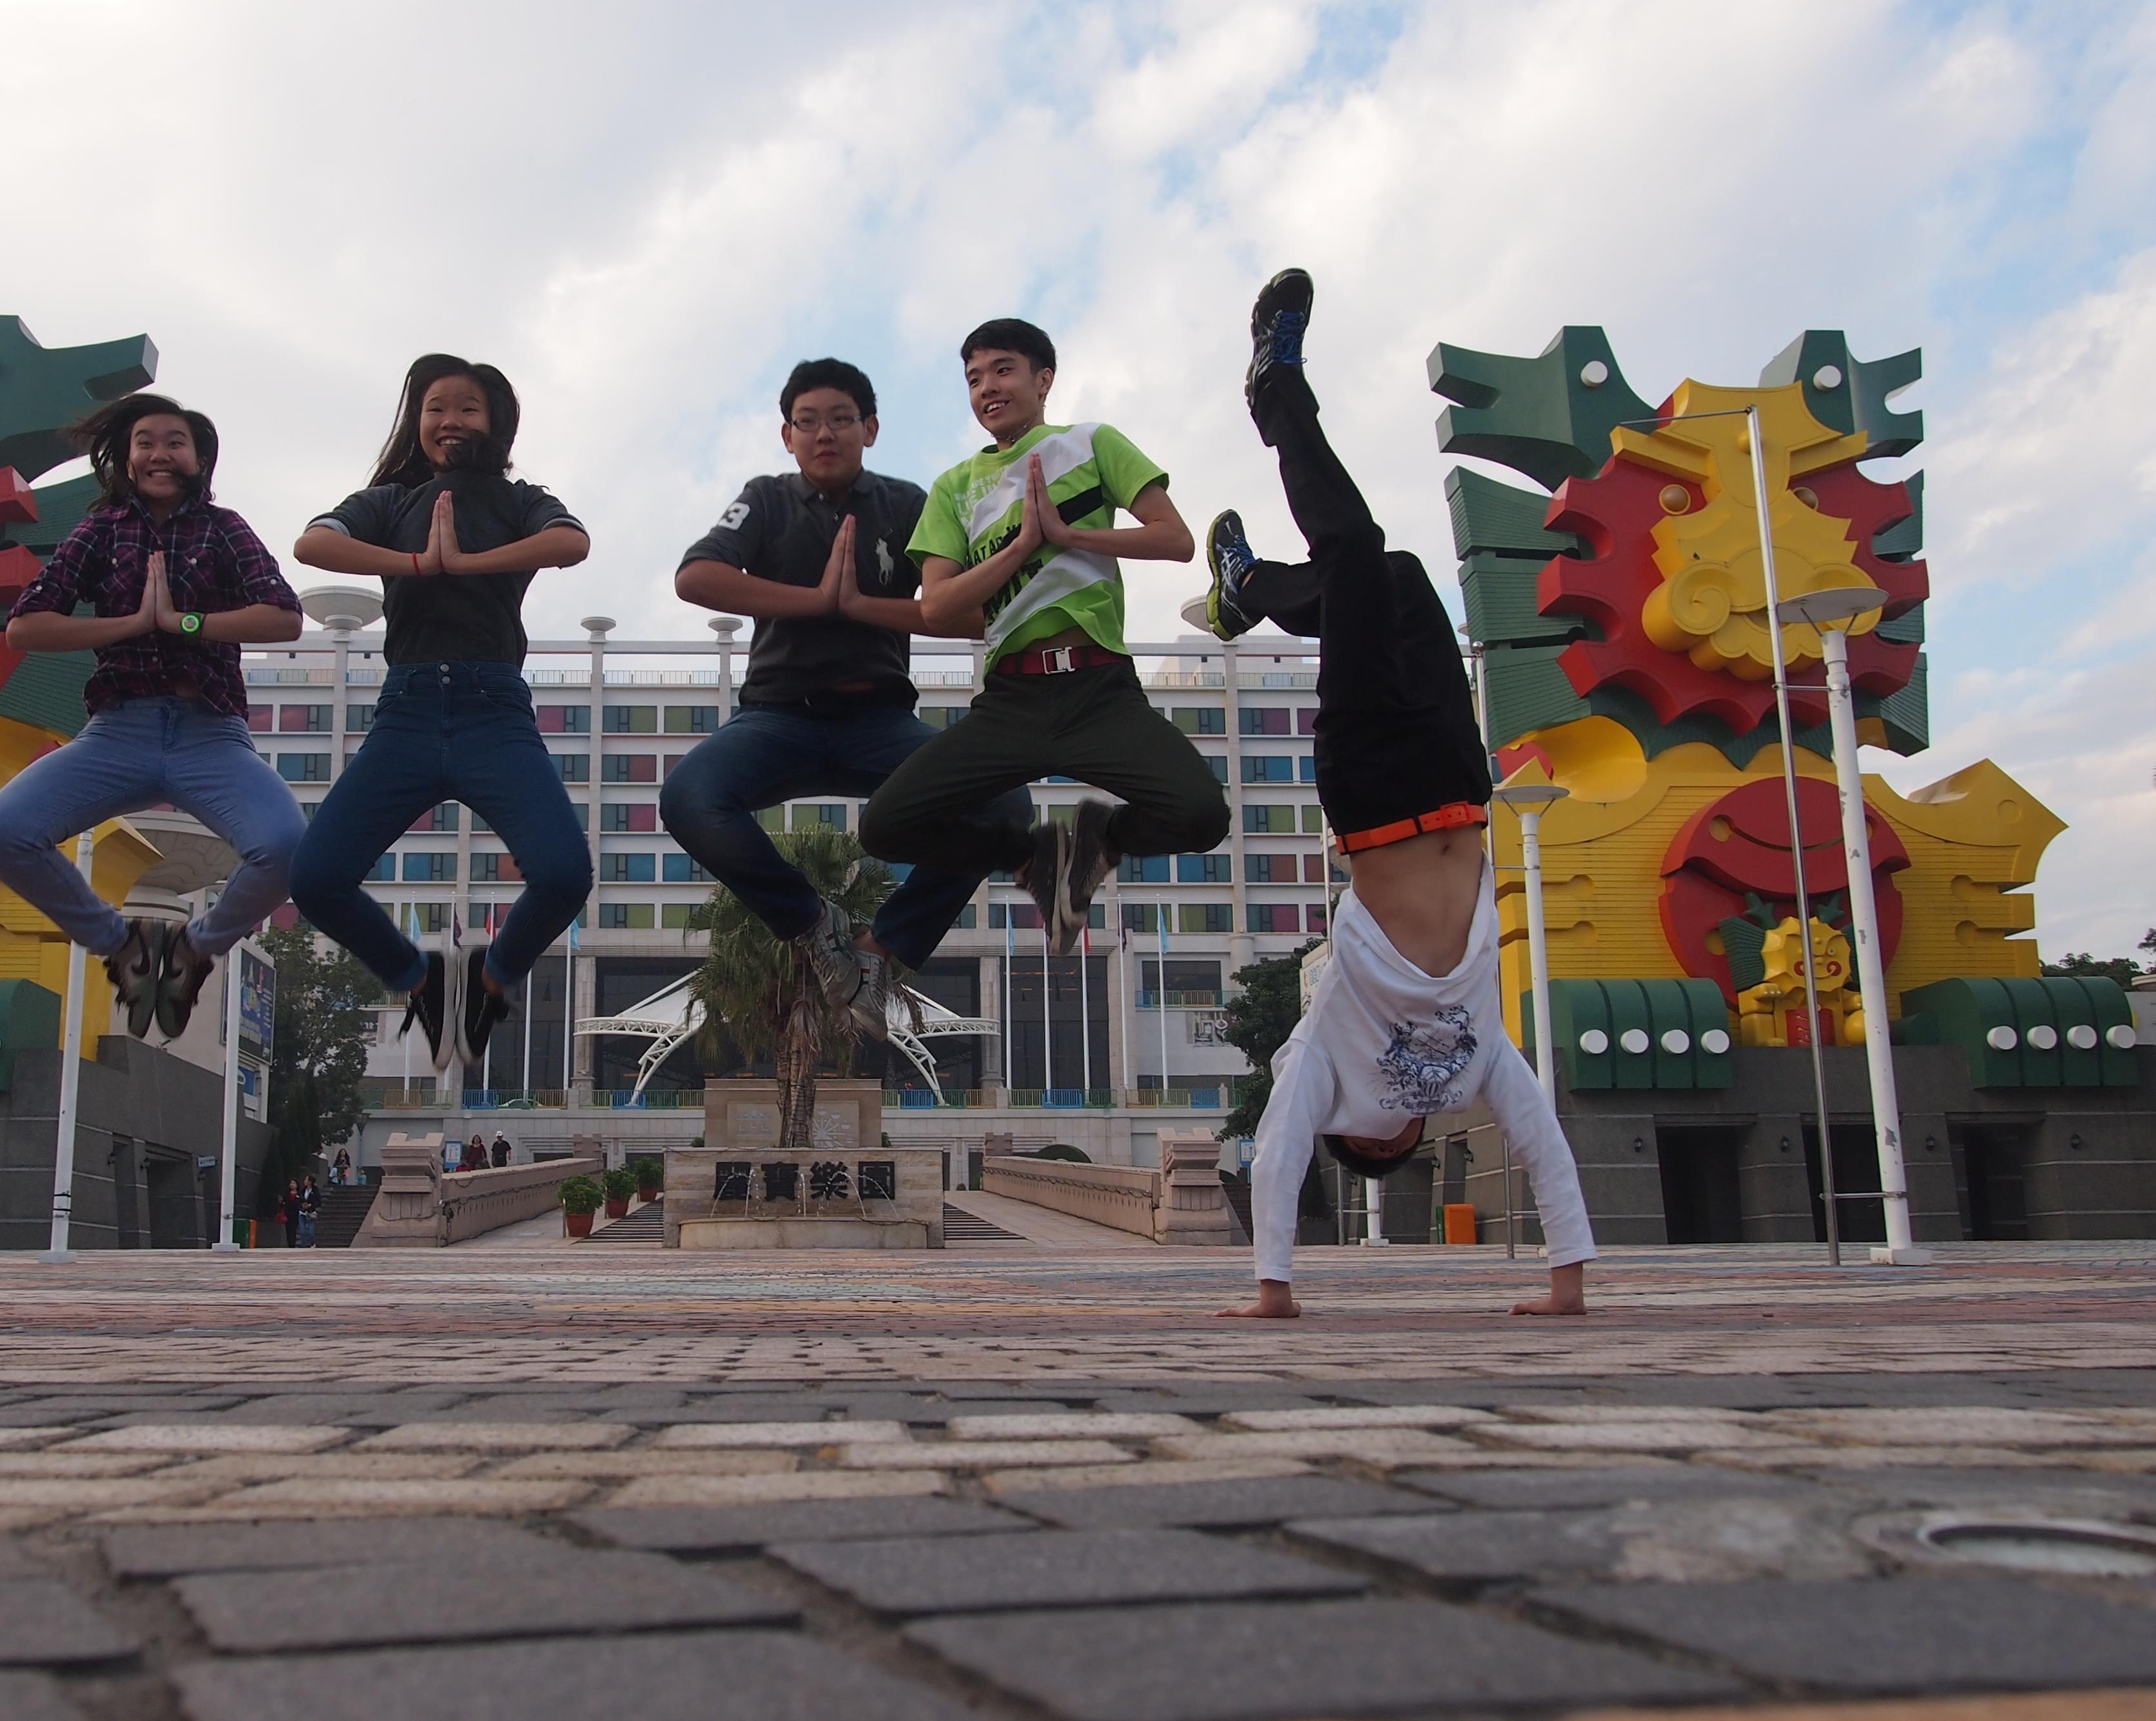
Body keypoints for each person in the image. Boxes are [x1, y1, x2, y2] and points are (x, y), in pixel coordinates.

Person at [1190, 270, 1594, 1321]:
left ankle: (1275, 391)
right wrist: (1566, 1278)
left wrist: (1273, 1287)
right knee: (1398, 577)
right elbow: (1541, 1139)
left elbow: (1281, 1142)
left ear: (1364, 1137)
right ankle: (1251, 589)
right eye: (1398, 1128)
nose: (1396, 1119)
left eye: (1377, 1132)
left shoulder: (1329, 1050)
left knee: (1357, 555)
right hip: (1459, 787)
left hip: (1373, 792)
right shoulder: (1473, 1060)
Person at [664, 359, 1031, 1036]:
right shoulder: (765, 499)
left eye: (840, 419)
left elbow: (973, 609)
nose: (823, 434)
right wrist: (816, 601)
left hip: (880, 723)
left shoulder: (908, 503)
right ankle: (813, 924)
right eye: (806, 422)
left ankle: (881, 948)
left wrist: (862, 605)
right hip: (776, 718)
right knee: (688, 795)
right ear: (786, 435)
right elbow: (696, 575)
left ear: (870, 428)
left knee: (1005, 803)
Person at [859, 319, 1229, 955]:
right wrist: (1021, 547)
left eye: (1002, 370)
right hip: (1010, 700)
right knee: (885, 825)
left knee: (1201, 815)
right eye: (974, 378)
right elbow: (938, 605)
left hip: (1098, 689)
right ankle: (1030, 855)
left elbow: (1174, 539)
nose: (987, 388)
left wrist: (1069, 534)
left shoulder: (1091, 443)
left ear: (1043, 379)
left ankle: (1098, 840)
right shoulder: (954, 487)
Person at [289, 355, 592, 1074]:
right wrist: (421, 564)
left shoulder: (520, 498)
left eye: (467, 408)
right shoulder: (390, 501)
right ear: (416, 422)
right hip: (408, 709)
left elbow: (572, 542)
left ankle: (490, 978)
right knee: (316, 878)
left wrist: (467, 562)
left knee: (563, 874)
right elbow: (312, 543)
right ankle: (418, 977)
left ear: (496, 423)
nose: (450, 421)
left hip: (494, 710)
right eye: (435, 408)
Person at [0, 394, 306, 1040]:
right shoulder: (100, 530)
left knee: (288, 847)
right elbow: (25, 627)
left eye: (175, 442)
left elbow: (283, 616)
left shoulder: (223, 527)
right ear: (125, 460)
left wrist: (184, 622)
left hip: (208, 732)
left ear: (199, 459)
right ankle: (119, 945)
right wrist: (131, 624)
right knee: (1, 831)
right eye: (145, 442)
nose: (160, 453)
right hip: (118, 731)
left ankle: (192, 950)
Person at [297, 1175, 320, 1247]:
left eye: (306, 1180)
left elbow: (319, 1202)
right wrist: (302, 1205)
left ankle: (312, 1243)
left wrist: (311, 1205)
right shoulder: (303, 1190)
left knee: (311, 1232)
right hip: (302, 1212)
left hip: (311, 1212)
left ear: (310, 1182)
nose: (305, 1181)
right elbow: (299, 1199)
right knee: (302, 1231)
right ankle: (303, 1245)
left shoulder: (315, 1191)